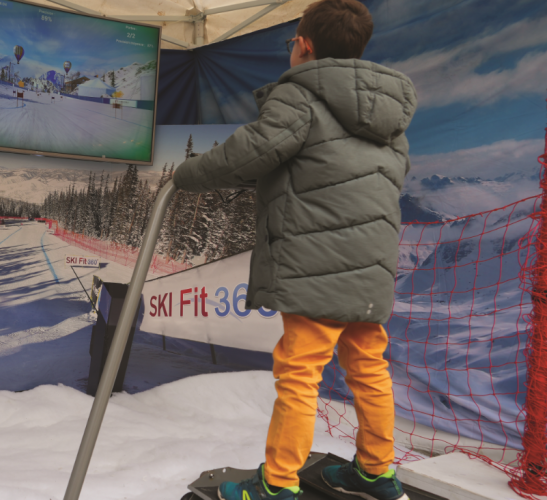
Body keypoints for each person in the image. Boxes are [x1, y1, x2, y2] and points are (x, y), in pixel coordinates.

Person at [171, 1, 417, 499]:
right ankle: (377, 472)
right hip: (371, 267)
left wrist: (186, 175)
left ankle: (279, 485)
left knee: (300, 372)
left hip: (314, 264)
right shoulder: (391, 115)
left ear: (303, 46)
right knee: (369, 367)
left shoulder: (300, 95)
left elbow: (252, 152)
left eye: (292, 44)